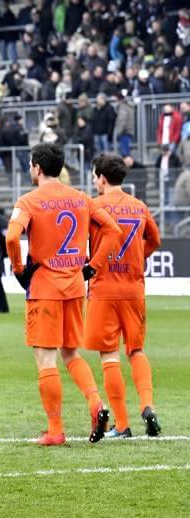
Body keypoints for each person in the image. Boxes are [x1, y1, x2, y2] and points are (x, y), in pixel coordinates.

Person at [4, 143, 122, 446]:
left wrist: (19, 270)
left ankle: (55, 430)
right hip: (74, 287)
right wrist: (93, 267)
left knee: (46, 359)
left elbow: (12, 237)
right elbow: (113, 231)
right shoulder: (82, 198)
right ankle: (96, 403)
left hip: (44, 290)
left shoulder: (29, 201)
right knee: (71, 353)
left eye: (31, 165)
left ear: (37, 168)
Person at [84, 154, 162, 438]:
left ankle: (122, 424)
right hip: (133, 289)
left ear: (102, 179)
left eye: (95, 177)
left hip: (104, 289)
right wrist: (138, 259)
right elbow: (155, 239)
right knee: (136, 350)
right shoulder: (139, 206)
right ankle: (147, 405)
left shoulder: (95, 206)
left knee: (109, 355)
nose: (94, 182)